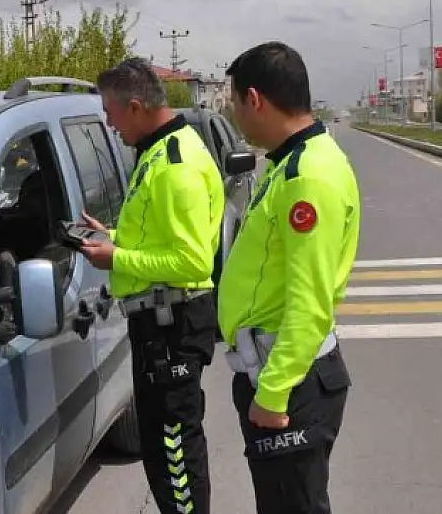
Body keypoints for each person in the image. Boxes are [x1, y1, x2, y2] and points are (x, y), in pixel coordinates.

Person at [217, 41, 360, 514]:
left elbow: (310, 300)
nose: (234, 116)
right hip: (277, 372)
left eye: (234, 103)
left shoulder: (307, 177)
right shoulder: (288, 163)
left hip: (289, 382)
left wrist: (274, 392)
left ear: (254, 99)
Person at [78, 57, 225, 514]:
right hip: (158, 324)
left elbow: (192, 259)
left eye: (111, 112)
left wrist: (117, 258)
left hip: (173, 329)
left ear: (137, 106)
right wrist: (115, 236)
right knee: (162, 451)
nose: (109, 123)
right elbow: (159, 236)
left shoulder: (175, 165)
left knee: (175, 452)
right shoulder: (157, 152)